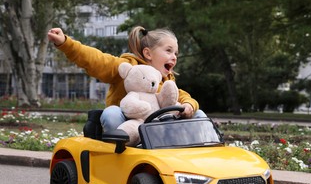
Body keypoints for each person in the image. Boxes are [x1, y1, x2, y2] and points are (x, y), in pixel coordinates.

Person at [47, 26, 207, 132]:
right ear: (148, 53)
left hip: (159, 134)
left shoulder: (167, 80)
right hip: (130, 125)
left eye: (176, 54)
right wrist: (66, 44)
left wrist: (188, 105)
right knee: (111, 113)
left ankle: (201, 156)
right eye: (169, 51)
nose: (173, 57)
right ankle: (119, 148)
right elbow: (96, 60)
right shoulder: (127, 67)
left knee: (198, 114)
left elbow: (180, 95)